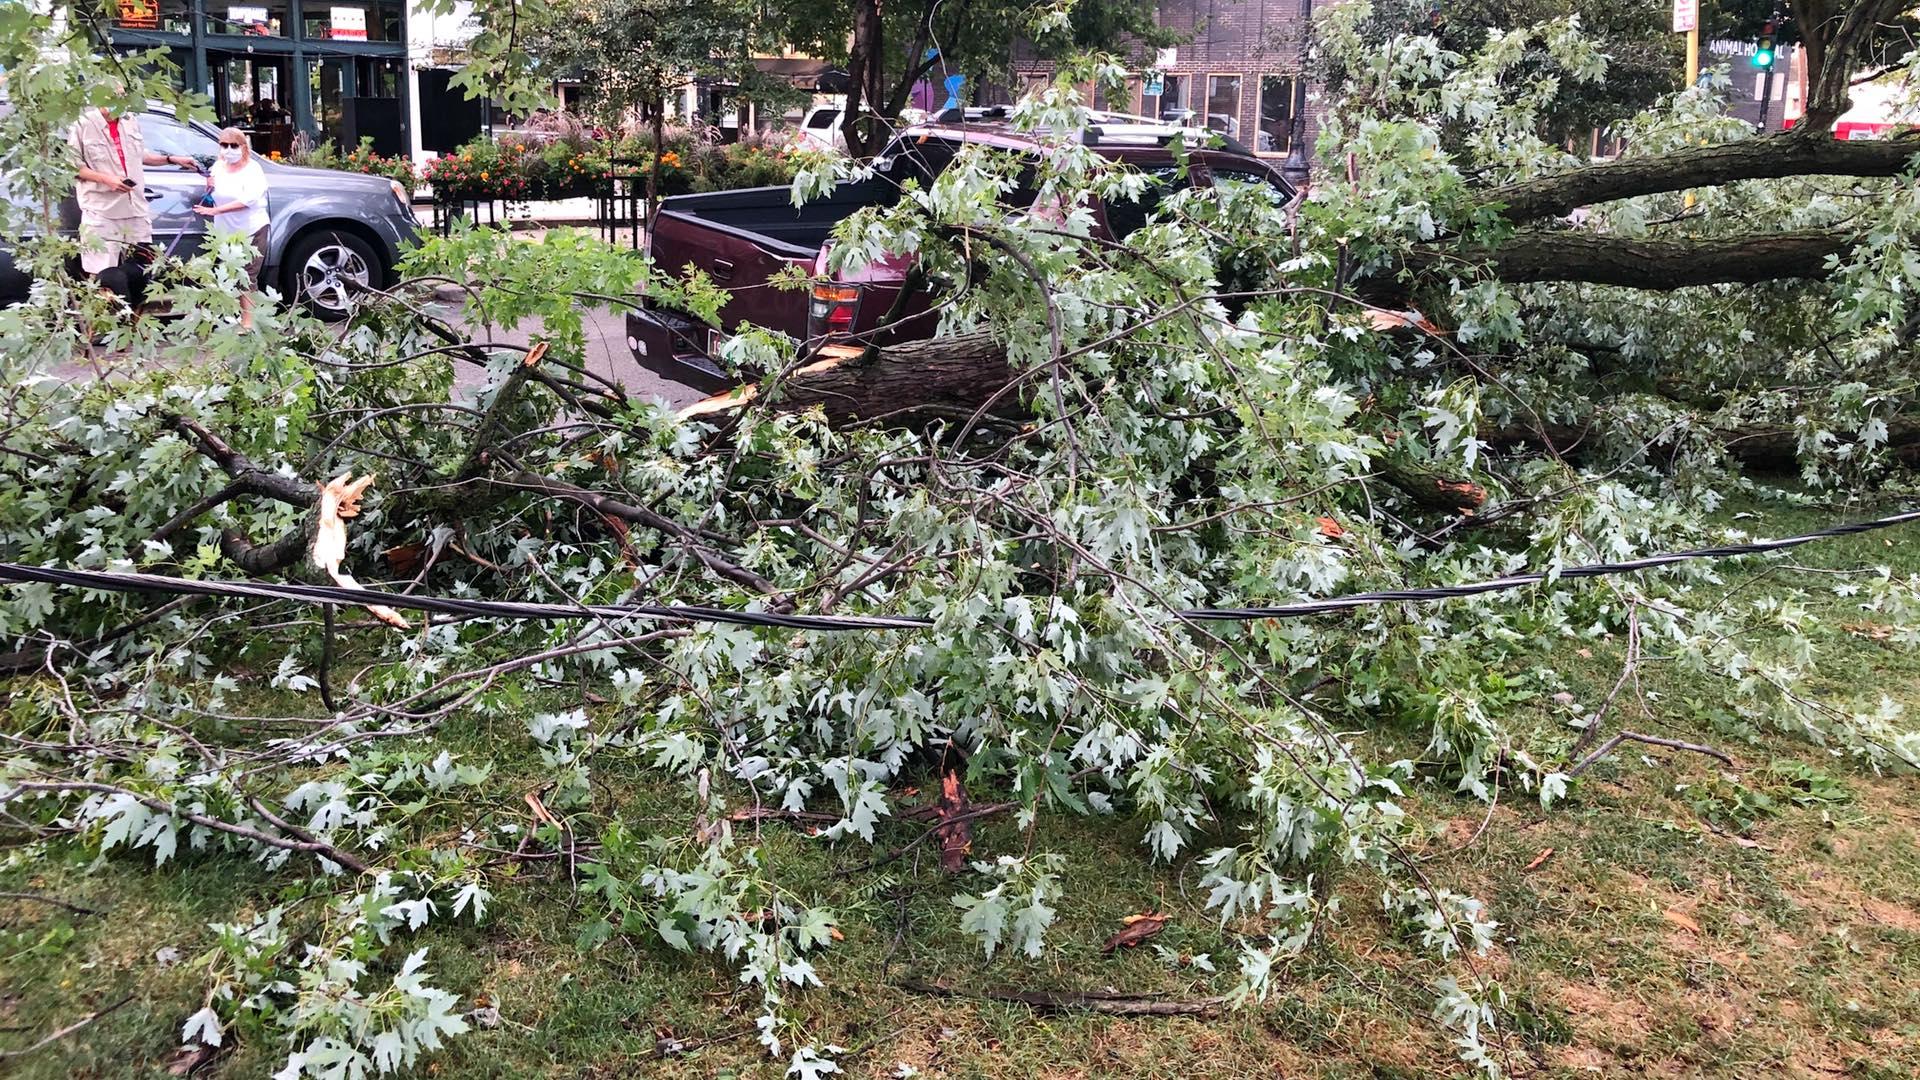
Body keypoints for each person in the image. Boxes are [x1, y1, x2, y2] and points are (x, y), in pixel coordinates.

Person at [69, 99, 198, 311]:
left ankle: (134, 323)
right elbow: (73, 167)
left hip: (135, 208)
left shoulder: (129, 120)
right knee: (102, 274)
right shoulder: (83, 124)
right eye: (111, 96)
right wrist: (106, 179)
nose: (117, 101)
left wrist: (171, 159)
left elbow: (140, 156)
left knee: (143, 269)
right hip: (102, 210)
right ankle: (104, 327)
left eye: (121, 95)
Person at [194, 127, 270, 329]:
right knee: (229, 274)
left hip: (252, 229)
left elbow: (249, 200)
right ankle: (234, 317)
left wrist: (215, 212)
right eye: (224, 145)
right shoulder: (219, 166)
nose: (228, 150)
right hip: (225, 232)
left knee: (247, 275)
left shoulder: (253, 169)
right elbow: (214, 194)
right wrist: (208, 188)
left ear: (243, 147)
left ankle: (248, 322)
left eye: (233, 145)